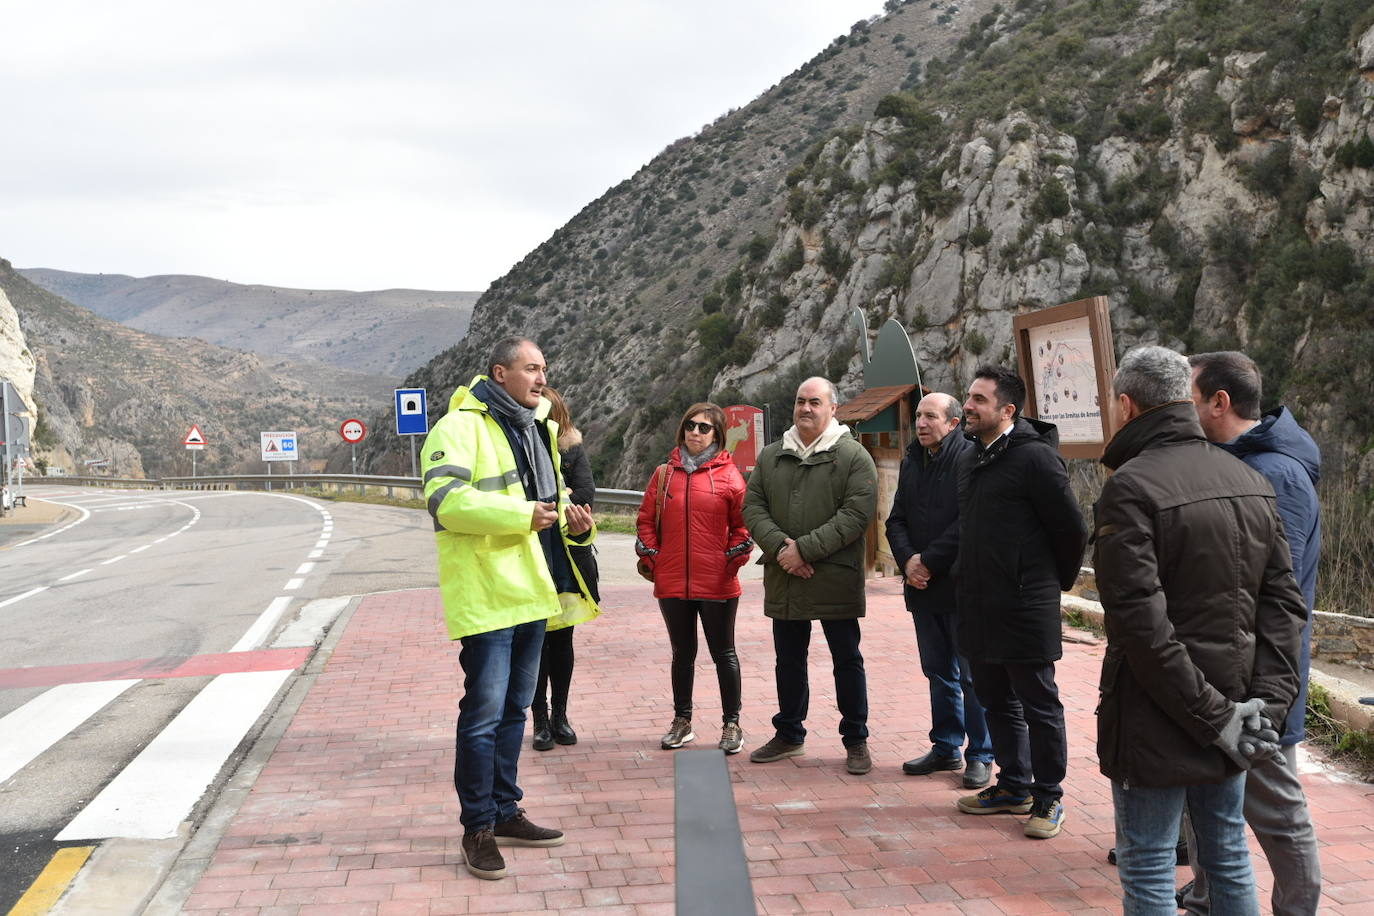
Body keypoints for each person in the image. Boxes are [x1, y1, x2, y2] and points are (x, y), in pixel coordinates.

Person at [1095, 345, 1306, 914]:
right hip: (1235, 711)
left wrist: (1219, 717)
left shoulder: (1130, 487)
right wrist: (1262, 710)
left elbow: (1140, 626)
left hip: (1159, 714)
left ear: (1126, 404)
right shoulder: (1249, 479)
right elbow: (1285, 609)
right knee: (1228, 855)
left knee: (1148, 862)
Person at [421, 336, 600, 881]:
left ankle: (504, 811)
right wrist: (523, 516)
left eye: (544, 367)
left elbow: (548, 495)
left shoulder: (537, 427)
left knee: (514, 712)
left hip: (531, 592)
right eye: (530, 368)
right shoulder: (459, 427)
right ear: (500, 373)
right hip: (488, 597)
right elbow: (446, 502)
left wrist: (571, 515)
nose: (541, 378)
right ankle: (476, 826)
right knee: (482, 715)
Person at [1181, 350, 1322, 916]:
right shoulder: (1234, 461)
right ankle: (1206, 895)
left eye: (1187, 398)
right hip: (1220, 669)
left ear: (1219, 402)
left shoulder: (1278, 475)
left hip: (1262, 678)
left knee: (1275, 810)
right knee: (1206, 799)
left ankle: (1297, 909)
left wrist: (1266, 690)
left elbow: (1272, 593)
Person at [953, 365, 1086, 840]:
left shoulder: (1036, 459)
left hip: (1026, 604)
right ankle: (1013, 786)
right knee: (994, 700)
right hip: (979, 603)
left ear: (1007, 411)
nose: (967, 406)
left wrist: (1048, 584)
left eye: (979, 400)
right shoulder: (970, 458)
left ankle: (1048, 797)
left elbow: (1071, 531)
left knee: (1038, 704)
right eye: (969, 397)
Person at [743, 377, 878, 775]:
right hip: (786, 576)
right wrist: (784, 550)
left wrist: (804, 549)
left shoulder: (854, 457)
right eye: (801, 401)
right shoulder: (771, 456)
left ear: (832, 408)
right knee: (788, 659)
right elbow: (753, 507)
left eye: (815, 402)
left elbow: (856, 515)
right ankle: (789, 734)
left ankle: (856, 739)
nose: (805, 408)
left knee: (846, 659)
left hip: (833, 575)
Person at [885, 392, 993, 788]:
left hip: (959, 585)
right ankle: (946, 746)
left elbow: (968, 522)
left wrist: (927, 560)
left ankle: (980, 754)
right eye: (918, 416)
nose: (922, 423)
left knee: (970, 676)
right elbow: (895, 520)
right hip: (922, 587)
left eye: (931, 416)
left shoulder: (969, 458)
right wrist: (908, 561)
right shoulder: (913, 460)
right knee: (937, 673)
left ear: (952, 423)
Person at [634, 402, 753, 753]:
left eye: (704, 427)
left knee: (724, 654)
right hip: (672, 582)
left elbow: (744, 529)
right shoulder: (664, 474)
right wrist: (654, 557)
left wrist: (730, 560)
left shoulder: (731, 477)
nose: (695, 433)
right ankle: (682, 721)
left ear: (717, 433)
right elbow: (644, 521)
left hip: (717, 582)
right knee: (682, 654)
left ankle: (732, 724)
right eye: (690, 425)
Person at [528, 386, 601, 752]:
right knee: (534, 643)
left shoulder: (571, 447)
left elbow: (586, 494)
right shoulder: (522, 450)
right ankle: (539, 719)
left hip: (567, 557)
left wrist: (563, 500)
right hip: (532, 556)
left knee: (562, 642)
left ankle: (561, 715)